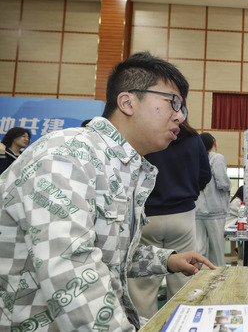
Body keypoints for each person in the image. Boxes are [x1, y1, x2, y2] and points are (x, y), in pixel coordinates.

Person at [0, 51, 215, 331]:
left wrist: (167, 259)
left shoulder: (124, 166)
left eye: (182, 108)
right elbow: (70, 269)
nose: (179, 116)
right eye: (172, 102)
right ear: (127, 102)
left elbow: (107, 250)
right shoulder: (67, 156)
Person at [128, 119, 212, 319]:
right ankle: (182, 324)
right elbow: (204, 175)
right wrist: (188, 190)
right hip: (182, 215)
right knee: (184, 277)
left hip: (148, 213)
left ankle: (145, 327)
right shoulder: (194, 139)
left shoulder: (147, 135)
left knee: (142, 287)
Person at [195, 132, 231, 266]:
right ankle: (218, 279)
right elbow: (222, 182)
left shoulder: (196, 158)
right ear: (214, 142)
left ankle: (194, 278)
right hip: (215, 209)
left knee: (198, 249)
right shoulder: (217, 158)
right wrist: (229, 186)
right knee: (217, 250)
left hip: (197, 209)